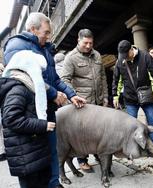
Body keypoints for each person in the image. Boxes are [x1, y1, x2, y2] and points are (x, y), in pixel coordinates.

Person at [3, 12, 86, 188]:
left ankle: (54, 183)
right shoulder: (16, 45)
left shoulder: (45, 50)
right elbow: (24, 78)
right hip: (30, 113)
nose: (49, 36)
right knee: (34, 157)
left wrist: (71, 95)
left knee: (52, 150)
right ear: (33, 29)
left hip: (47, 110)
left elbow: (54, 79)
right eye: (46, 32)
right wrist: (53, 94)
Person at [0, 50, 55, 188]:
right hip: (26, 154)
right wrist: (42, 125)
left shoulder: (25, 86)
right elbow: (12, 119)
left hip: (31, 152)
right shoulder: (17, 89)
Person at [61, 28, 108, 172]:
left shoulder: (97, 55)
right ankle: (82, 160)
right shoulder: (71, 57)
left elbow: (103, 77)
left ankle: (99, 154)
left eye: (91, 43)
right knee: (83, 134)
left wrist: (105, 96)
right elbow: (65, 79)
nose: (88, 46)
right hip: (83, 104)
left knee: (99, 131)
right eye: (85, 43)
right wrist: (73, 96)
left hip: (98, 102)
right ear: (78, 41)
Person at [112, 40, 153, 153]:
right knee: (130, 125)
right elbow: (117, 80)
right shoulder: (120, 61)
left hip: (146, 95)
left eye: (127, 55)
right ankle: (133, 147)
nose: (125, 58)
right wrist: (115, 96)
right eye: (123, 56)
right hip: (130, 98)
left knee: (152, 121)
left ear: (131, 49)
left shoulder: (145, 56)